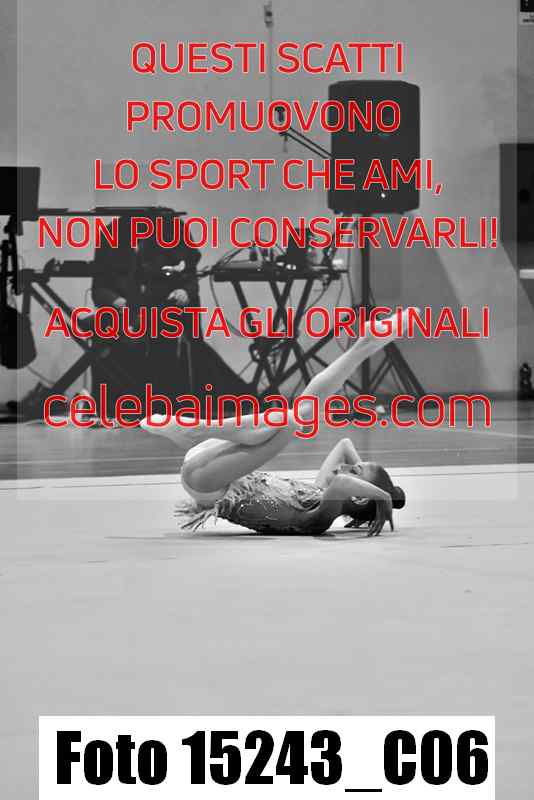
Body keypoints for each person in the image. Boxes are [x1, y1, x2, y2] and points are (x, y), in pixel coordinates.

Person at [140, 308, 413, 535]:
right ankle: (365, 344)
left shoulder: (320, 517)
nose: (345, 466)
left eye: (353, 470)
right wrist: (374, 481)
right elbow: (344, 445)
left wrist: (383, 497)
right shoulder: (318, 490)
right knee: (302, 411)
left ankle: (199, 429)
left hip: (208, 482)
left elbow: (343, 483)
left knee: (291, 419)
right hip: (212, 459)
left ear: (359, 496)